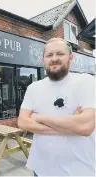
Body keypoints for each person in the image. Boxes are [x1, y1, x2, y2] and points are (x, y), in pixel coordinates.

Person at [18, 38, 95, 176]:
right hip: (40, 169)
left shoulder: (87, 81)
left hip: (80, 170)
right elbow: (23, 122)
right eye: (49, 55)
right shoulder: (33, 88)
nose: (54, 58)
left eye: (60, 54)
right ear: (43, 60)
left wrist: (38, 117)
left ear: (71, 57)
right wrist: (71, 126)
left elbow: (85, 126)